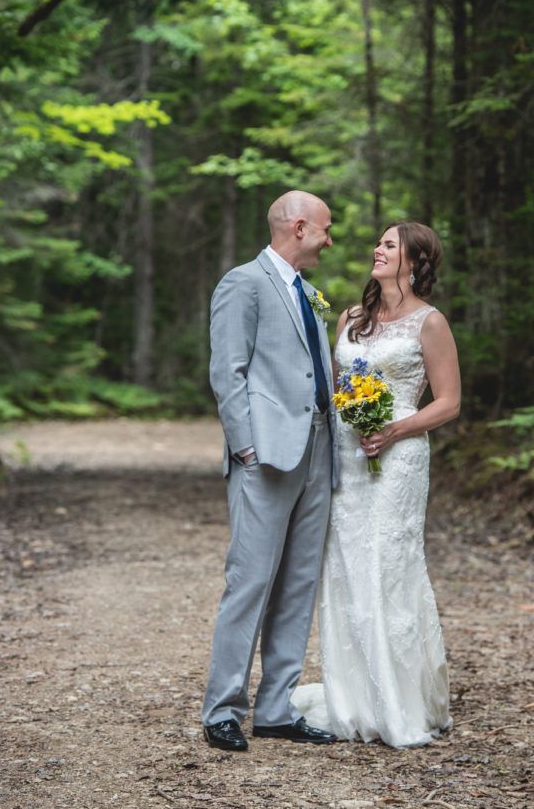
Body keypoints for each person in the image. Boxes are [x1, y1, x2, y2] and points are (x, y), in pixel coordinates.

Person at [295, 221, 461, 748]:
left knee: (387, 566)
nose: (378, 248)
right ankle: (353, 697)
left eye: (390, 245)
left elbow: (448, 402)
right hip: (347, 454)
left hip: (401, 456)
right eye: (380, 242)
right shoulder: (351, 318)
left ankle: (399, 699)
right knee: (345, 565)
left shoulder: (430, 323)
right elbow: (336, 387)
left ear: (414, 261)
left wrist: (395, 428)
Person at [202, 190, 340, 752]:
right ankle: (223, 710)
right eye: (327, 230)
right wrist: (245, 449)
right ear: (300, 227)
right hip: (267, 455)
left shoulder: (308, 293)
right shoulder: (243, 282)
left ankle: (277, 708)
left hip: (318, 454)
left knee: (298, 585)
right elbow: (226, 371)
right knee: (251, 581)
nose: (331, 241)